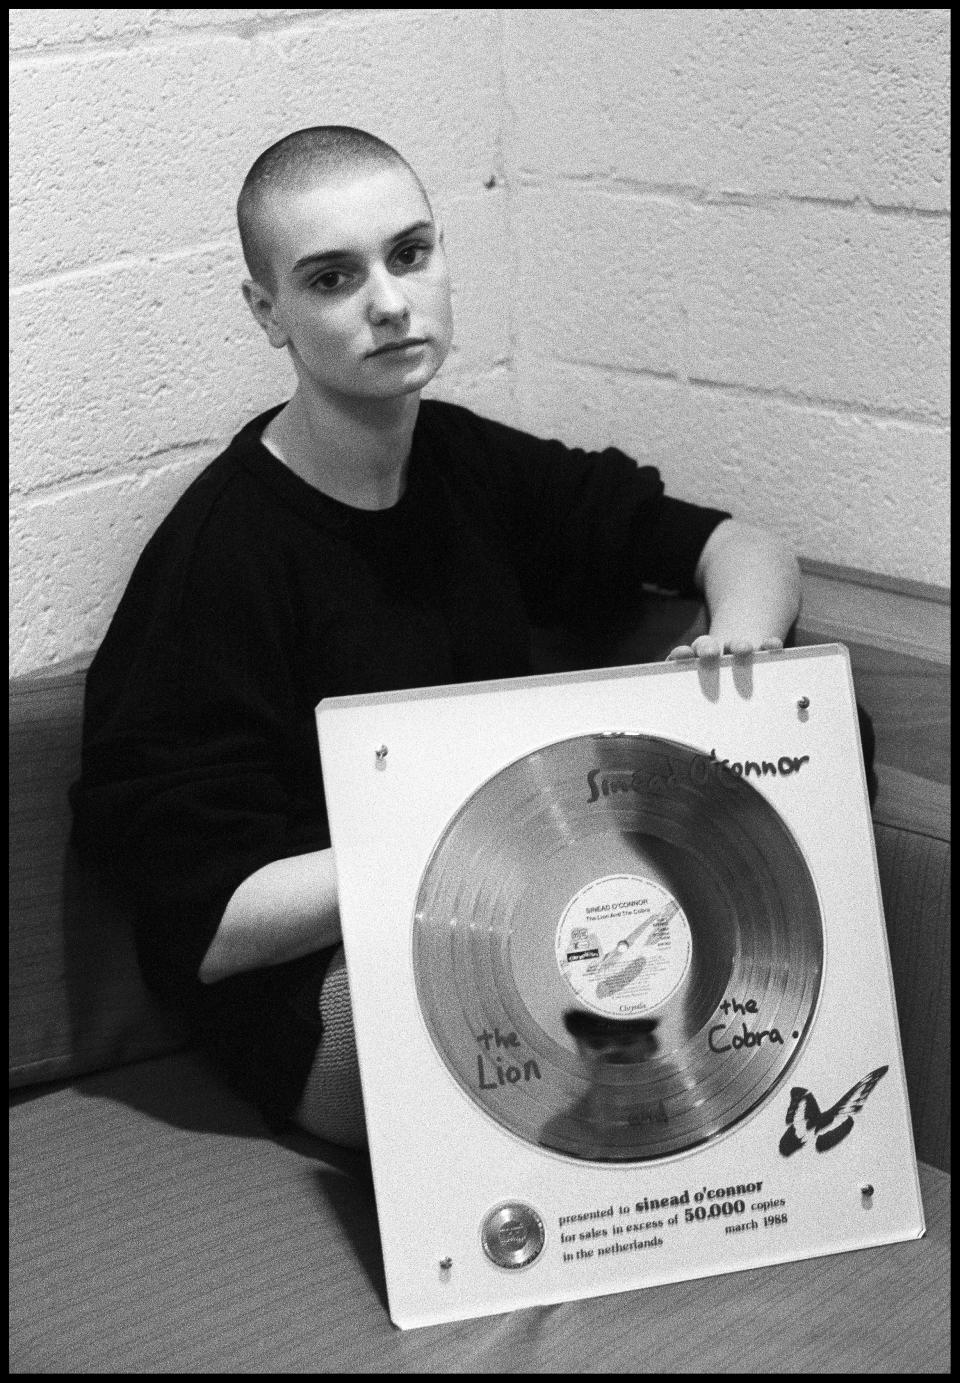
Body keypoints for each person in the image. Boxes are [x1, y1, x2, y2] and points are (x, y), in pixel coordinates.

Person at [70, 126, 816, 1150]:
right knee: (639, 998)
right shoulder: (221, 558)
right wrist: (460, 845)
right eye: (332, 278)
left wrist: (742, 652)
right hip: (323, 988)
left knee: (804, 768)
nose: (388, 302)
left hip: (509, 913)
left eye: (410, 254)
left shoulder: (466, 462)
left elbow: (741, 546)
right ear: (267, 312)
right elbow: (209, 928)